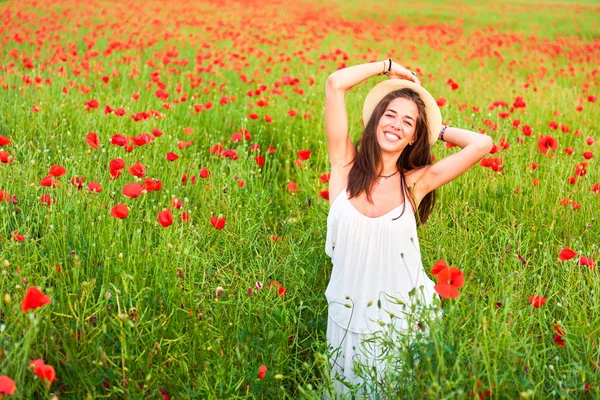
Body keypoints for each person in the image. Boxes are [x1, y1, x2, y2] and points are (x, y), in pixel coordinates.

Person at [323, 59, 493, 397]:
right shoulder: (344, 166)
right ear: (374, 122)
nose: (396, 125)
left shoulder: (414, 184)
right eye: (390, 115)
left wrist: (436, 129)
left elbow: (482, 144)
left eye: (408, 123)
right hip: (344, 319)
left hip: (397, 323)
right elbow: (335, 83)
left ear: (414, 137)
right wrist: (387, 66)